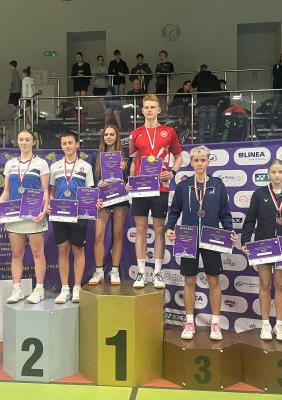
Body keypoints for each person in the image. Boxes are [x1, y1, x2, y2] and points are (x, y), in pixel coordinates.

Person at [165, 145, 237, 341]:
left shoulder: (217, 185)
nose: (199, 164)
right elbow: (174, 211)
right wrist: (169, 227)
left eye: (203, 160)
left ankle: (215, 323)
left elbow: (225, 213)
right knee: (189, 280)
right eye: (196, 160)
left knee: (213, 280)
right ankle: (189, 322)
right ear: (191, 162)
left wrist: (230, 230)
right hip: (188, 238)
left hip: (212, 238)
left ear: (208, 162)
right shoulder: (183, 186)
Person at [241, 159, 282, 342]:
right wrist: (245, 241)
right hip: (263, 246)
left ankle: (280, 325)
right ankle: (265, 324)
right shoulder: (259, 194)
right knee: (264, 284)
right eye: (273, 172)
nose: (277, 175)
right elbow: (250, 220)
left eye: (280, 172)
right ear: (268, 174)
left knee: (281, 285)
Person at [128, 94, 183, 289]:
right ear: (142, 110)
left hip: (161, 187)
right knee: (141, 229)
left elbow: (179, 156)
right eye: (146, 107)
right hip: (140, 188)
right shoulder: (135, 134)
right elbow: (134, 161)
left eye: (153, 107)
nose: (149, 110)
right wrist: (130, 180)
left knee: (159, 229)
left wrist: (173, 172)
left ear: (159, 110)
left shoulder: (169, 132)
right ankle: (142, 273)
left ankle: (158, 273)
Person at [0, 130, 49, 304]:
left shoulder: (41, 163)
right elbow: (6, 191)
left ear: (33, 142)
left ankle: (39, 289)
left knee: (38, 253)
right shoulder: (10, 164)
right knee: (17, 255)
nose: (24, 142)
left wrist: (44, 211)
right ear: (17, 142)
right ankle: (16, 289)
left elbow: (45, 191)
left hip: (34, 215)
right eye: (21, 139)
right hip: (14, 216)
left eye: (27, 140)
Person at [49, 131, 94, 303]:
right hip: (60, 214)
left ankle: (77, 287)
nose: (67, 146)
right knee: (62, 251)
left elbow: (89, 191)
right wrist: (50, 202)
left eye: (70, 142)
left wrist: (93, 203)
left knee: (78, 250)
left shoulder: (86, 167)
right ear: (61, 146)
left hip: (79, 214)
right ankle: (64, 288)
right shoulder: (55, 167)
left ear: (77, 144)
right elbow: (52, 190)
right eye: (64, 143)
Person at [88, 125, 128, 285]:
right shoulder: (95, 155)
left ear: (117, 136)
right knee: (98, 235)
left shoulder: (124, 156)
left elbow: (130, 180)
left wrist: (125, 170)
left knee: (117, 234)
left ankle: (115, 271)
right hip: (102, 198)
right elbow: (90, 178)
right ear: (103, 137)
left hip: (120, 197)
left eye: (112, 134)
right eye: (106, 134)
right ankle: (99, 271)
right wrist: (97, 183)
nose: (109, 137)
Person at [192, 64, 220, 142]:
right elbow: (218, 90)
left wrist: (197, 74)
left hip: (202, 102)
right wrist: (217, 101)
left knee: (202, 125)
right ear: (207, 69)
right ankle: (213, 143)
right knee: (212, 124)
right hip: (212, 102)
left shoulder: (199, 77)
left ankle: (201, 143)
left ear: (201, 69)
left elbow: (193, 85)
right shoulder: (214, 77)